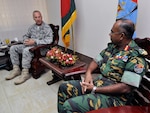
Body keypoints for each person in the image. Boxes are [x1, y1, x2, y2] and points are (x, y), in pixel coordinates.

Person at [57, 19, 148, 113]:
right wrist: (88, 74)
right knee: (64, 87)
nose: (110, 34)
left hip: (116, 99)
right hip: (99, 85)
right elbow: (95, 61)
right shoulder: (112, 47)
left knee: (69, 106)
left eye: (112, 32)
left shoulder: (136, 57)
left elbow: (126, 87)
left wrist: (95, 89)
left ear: (121, 36)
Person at [5, 10, 53, 85]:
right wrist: (26, 40)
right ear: (33, 18)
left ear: (41, 17)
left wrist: (35, 41)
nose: (38, 19)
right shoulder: (32, 27)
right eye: (36, 17)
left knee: (27, 50)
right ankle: (16, 69)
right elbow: (26, 35)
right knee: (13, 48)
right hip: (30, 45)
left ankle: (25, 73)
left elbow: (49, 40)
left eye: (39, 17)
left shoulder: (47, 28)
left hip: (41, 49)